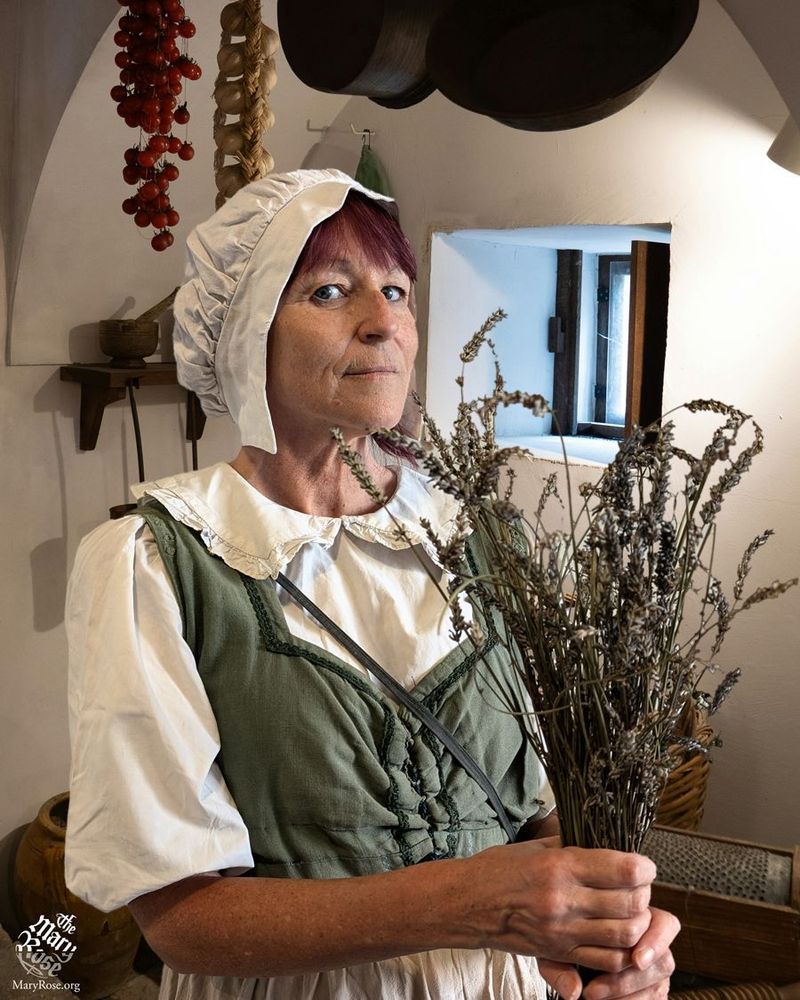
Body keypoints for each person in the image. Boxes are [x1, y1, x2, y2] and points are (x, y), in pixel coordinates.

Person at [65, 168, 678, 1000]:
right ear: (245, 336)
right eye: (329, 291)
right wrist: (474, 903)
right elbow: (180, 920)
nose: (383, 321)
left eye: (396, 290)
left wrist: (616, 937)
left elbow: (542, 813)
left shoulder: (485, 541)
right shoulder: (156, 561)